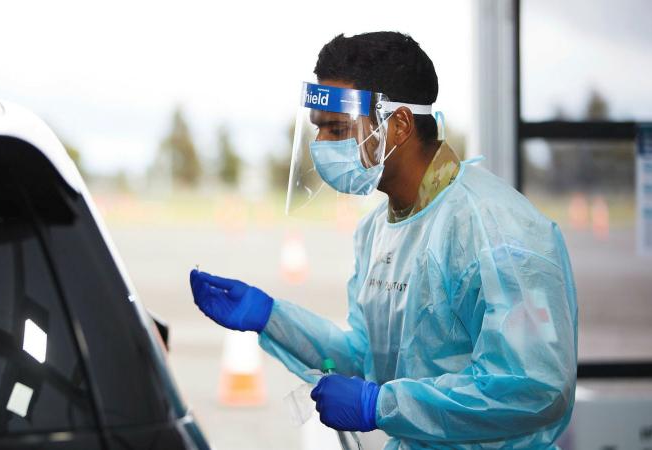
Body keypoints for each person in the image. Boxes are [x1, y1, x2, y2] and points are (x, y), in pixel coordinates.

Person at [190, 31, 577, 449]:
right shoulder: (378, 230)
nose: (322, 147)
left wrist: (381, 405)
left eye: (337, 129)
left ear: (399, 125)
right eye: (318, 131)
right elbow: (365, 357)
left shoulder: (496, 228)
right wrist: (270, 317)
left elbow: (534, 388)